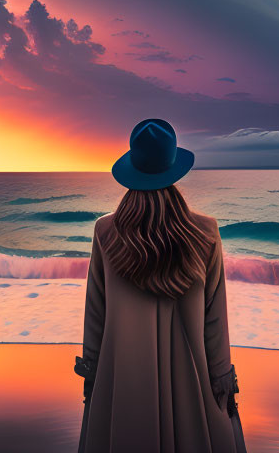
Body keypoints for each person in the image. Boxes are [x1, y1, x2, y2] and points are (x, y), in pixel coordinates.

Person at [75, 118, 248, 453]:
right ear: (174, 168)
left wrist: (92, 376)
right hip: (190, 375)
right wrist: (222, 380)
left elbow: (96, 312)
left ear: (132, 167)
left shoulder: (105, 231)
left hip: (122, 374)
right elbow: (215, 320)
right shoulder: (206, 232)